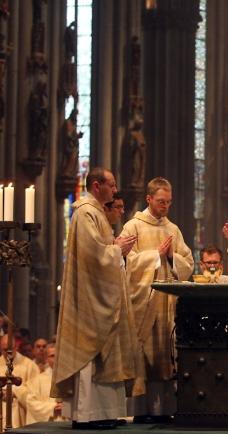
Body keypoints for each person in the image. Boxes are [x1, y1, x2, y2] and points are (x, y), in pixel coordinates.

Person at [51, 167, 142, 430]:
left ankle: (105, 412)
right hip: (91, 300)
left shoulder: (97, 213)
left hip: (102, 293)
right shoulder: (85, 213)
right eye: (111, 186)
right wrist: (116, 249)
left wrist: (115, 249)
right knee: (92, 356)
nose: (115, 191)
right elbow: (92, 255)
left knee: (108, 355)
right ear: (96, 185)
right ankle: (88, 414)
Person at [121, 177, 194, 423]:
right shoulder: (133, 227)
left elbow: (188, 263)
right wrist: (155, 255)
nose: (165, 206)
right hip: (144, 303)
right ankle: (141, 410)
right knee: (145, 359)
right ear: (149, 198)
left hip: (167, 306)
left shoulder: (173, 230)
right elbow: (125, 261)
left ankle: (164, 410)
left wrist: (173, 258)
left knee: (166, 357)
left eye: (169, 202)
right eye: (161, 201)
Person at [0, 334, 40, 429]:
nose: (8, 353)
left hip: (20, 412)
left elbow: (35, 392)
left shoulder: (30, 366)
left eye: (10, 349)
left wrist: (14, 392)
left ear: (16, 347)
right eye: (4, 350)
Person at [26, 343, 68, 424]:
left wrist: (68, 407)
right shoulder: (37, 380)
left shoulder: (70, 378)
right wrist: (53, 408)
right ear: (46, 359)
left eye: (58, 355)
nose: (56, 358)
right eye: (52, 356)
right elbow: (31, 403)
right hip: (47, 424)